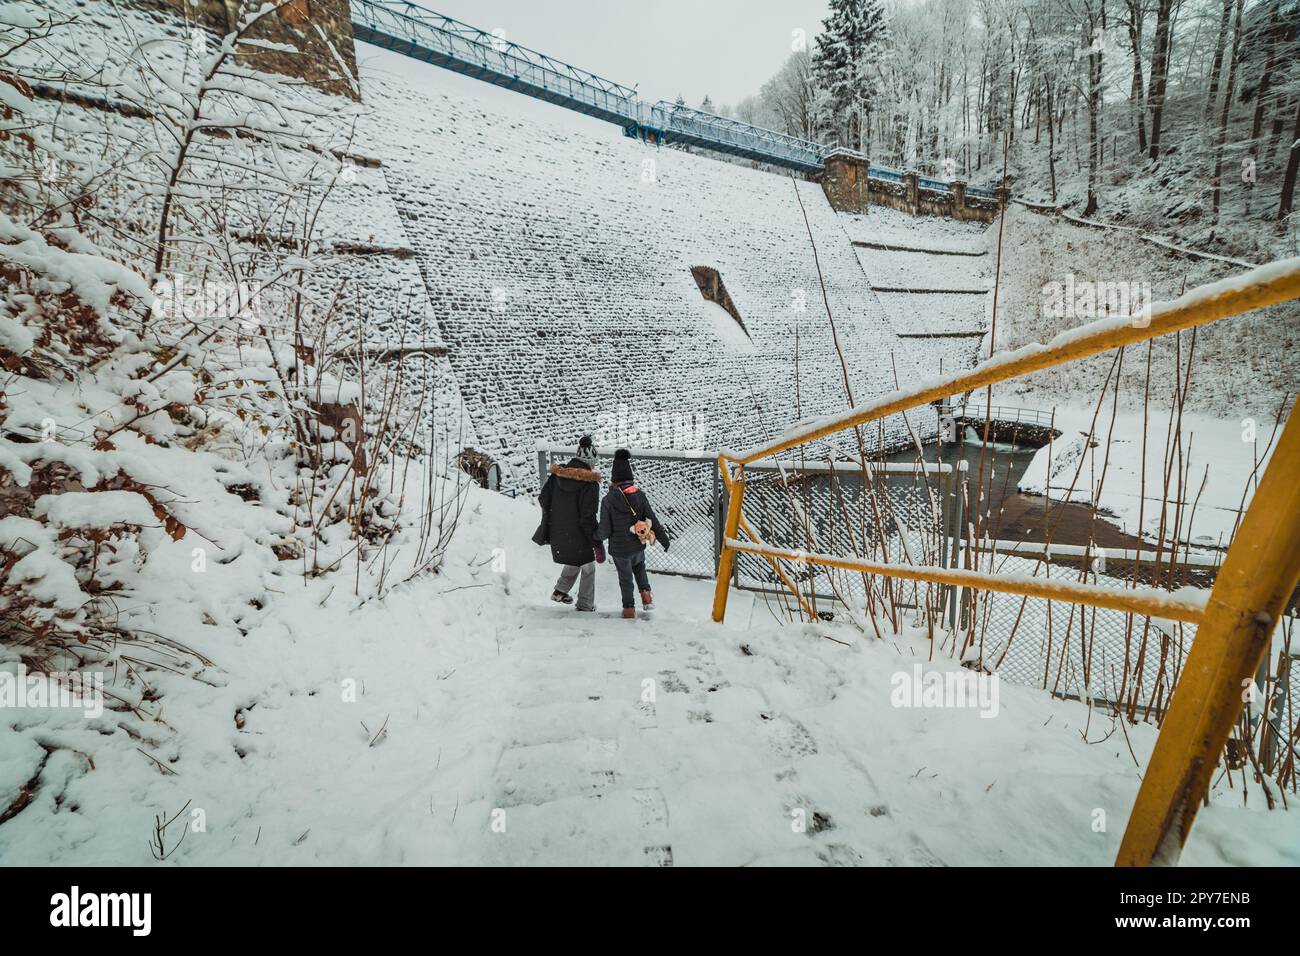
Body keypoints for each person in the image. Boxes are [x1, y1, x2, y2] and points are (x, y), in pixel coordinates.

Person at [533, 436, 604, 611]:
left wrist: (556, 517)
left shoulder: (558, 475)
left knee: (575, 558)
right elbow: (588, 517)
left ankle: (560, 590)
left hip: (558, 531)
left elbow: (543, 498)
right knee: (588, 566)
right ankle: (586, 604)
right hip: (579, 532)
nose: (594, 467)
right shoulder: (590, 484)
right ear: (590, 461)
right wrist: (596, 542)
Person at [597, 448, 669, 619]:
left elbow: (605, 530)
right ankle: (646, 596)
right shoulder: (640, 496)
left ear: (614, 479)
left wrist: (595, 537)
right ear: (630, 477)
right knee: (639, 567)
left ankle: (629, 609)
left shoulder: (607, 500)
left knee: (625, 578)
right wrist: (663, 539)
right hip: (638, 545)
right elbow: (652, 519)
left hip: (620, 549)